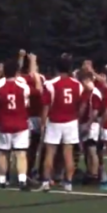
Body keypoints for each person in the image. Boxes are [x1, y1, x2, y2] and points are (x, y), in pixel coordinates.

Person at [0, 59, 31, 191]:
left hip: (4, 125)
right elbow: (27, 104)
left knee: (3, 153)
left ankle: (2, 180)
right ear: (16, 72)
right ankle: (22, 180)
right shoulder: (24, 86)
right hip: (20, 124)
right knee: (21, 154)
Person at [39, 56, 84, 192]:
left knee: (50, 152)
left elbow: (46, 106)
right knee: (68, 153)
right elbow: (81, 105)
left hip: (54, 121)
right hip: (71, 121)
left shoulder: (50, 84)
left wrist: (42, 123)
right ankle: (68, 183)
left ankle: (46, 182)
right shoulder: (78, 84)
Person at [78, 71, 103, 183]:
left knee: (92, 149)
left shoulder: (95, 93)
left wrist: (88, 124)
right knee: (87, 150)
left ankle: (94, 174)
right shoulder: (87, 92)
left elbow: (95, 111)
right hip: (86, 123)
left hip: (92, 125)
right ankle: (90, 171)